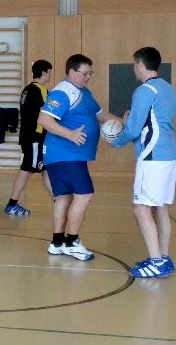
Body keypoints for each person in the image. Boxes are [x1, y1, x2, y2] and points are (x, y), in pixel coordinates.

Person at [38, 54, 122, 261]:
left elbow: (101, 115)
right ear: (71, 72)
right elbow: (44, 119)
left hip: (70, 156)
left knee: (64, 197)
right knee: (84, 195)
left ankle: (57, 242)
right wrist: (70, 134)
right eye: (84, 73)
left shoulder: (84, 92)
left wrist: (125, 123)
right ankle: (72, 242)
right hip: (65, 154)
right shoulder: (63, 92)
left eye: (90, 73)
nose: (88, 77)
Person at [110, 47, 176, 278]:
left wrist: (115, 141)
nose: (134, 69)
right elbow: (154, 121)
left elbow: (133, 129)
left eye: (134, 65)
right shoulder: (167, 89)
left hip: (152, 157)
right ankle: (163, 258)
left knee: (141, 209)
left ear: (140, 65)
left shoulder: (144, 91)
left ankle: (157, 262)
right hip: (169, 155)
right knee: (160, 207)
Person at [4, 60, 53, 216]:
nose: (50, 75)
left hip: (29, 136)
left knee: (45, 169)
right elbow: (48, 114)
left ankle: (58, 200)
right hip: (35, 138)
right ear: (44, 72)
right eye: (49, 72)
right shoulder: (41, 90)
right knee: (27, 170)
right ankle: (12, 204)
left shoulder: (26, 90)